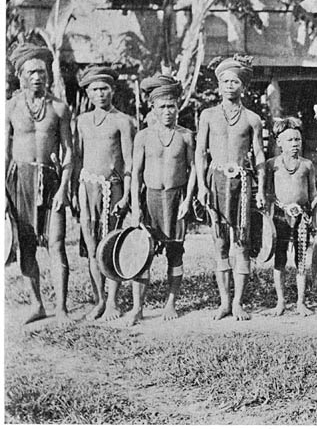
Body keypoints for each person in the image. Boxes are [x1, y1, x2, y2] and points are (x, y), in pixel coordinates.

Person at [6, 43, 73, 324]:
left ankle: (61, 308)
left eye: (42, 72)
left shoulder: (59, 107)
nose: (37, 77)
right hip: (19, 179)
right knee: (26, 244)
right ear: (20, 75)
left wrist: (64, 188)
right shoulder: (9, 107)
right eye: (32, 72)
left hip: (50, 179)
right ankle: (37, 304)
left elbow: (70, 151)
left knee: (56, 244)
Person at [196, 55, 266, 321]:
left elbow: (259, 155)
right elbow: (200, 153)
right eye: (224, 81)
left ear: (243, 86)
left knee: (242, 242)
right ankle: (224, 301)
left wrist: (260, 190)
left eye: (234, 81)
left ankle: (238, 302)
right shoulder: (208, 116)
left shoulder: (252, 119)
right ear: (218, 85)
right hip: (215, 181)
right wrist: (202, 185)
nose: (229, 85)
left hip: (243, 183)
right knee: (220, 242)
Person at [128, 77, 196, 325]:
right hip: (151, 199)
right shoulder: (143, 137)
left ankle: (171, 303)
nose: (167, 111)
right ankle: (138, 307)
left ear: (178, 107)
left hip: (176, 199)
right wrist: (136, 207)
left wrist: (187, 200)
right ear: (153, 109)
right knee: (142, 253)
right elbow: (135, 174)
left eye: (171, 106)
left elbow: (193, 169)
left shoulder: (186, 136)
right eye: (162, 107)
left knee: (175, 253)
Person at [74, 66, 135, 321]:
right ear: (88, 92)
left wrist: (126, 196)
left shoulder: (123, 120)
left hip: (113, 188)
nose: (100, 93)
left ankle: (112, 302)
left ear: (112, 90)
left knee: (110, 245)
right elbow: (78, 157)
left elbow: (130, 163)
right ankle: (99, 299)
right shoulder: (82, 121)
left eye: (105, 88)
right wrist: (76, 191)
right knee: (91, 246)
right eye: (95, 89)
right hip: (87, 188)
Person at [264, 118, 317, 316]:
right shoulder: (272, 165)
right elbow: (267, 193)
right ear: (279, 142)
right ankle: (281, 302)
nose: (295, 144)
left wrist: (313, 218)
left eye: (297, 139)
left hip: (302, 217)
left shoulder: (307, 165)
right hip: (280, 216)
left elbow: (313, 194)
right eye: (290, 140)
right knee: (279, 259)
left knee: (301, 260)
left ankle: (301, 302)